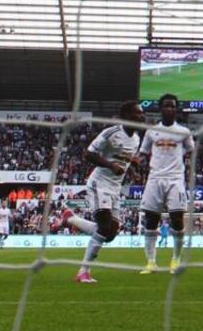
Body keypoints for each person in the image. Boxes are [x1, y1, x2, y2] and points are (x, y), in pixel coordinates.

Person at [52, 101, 144, 284]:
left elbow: (122, 159)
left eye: (143, 114)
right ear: (126, 116)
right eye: (138, 113)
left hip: (115, 188)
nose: (142, 117)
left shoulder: (136, 139)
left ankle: (70, 219)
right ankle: (83, 271)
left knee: (110, 234)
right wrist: (111, 165)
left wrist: (132, 168)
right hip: (99, 184)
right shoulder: (111, 133)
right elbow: (88, 154)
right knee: (103, 227)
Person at [139, 94, 195, 275]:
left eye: (172, 106)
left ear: (176, 109)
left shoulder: (184, 132)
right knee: (151, 219)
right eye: (166, 106)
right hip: (155, 178)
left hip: (175, 179)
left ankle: (175, 260)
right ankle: (151, 262)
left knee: (177, 218)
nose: (169, 109)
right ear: (160, 108)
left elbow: (190, 150)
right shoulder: (151, 131)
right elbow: (143, 153)